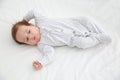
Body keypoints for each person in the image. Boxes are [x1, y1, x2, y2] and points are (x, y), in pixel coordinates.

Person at [11, 9, 112, 70]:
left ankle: (101, 32)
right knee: (83, 44)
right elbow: (49, 54)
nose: (30, 36)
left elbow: (34, 11)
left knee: (86, 19)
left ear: (31, 24)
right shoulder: (42, 44)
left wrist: (24, 20)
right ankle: (98, 38)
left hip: (75, 23)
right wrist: (42, 62)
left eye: (28, 31)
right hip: (74, 39)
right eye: (27, 39)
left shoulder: (41, 21)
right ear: (29, 44)